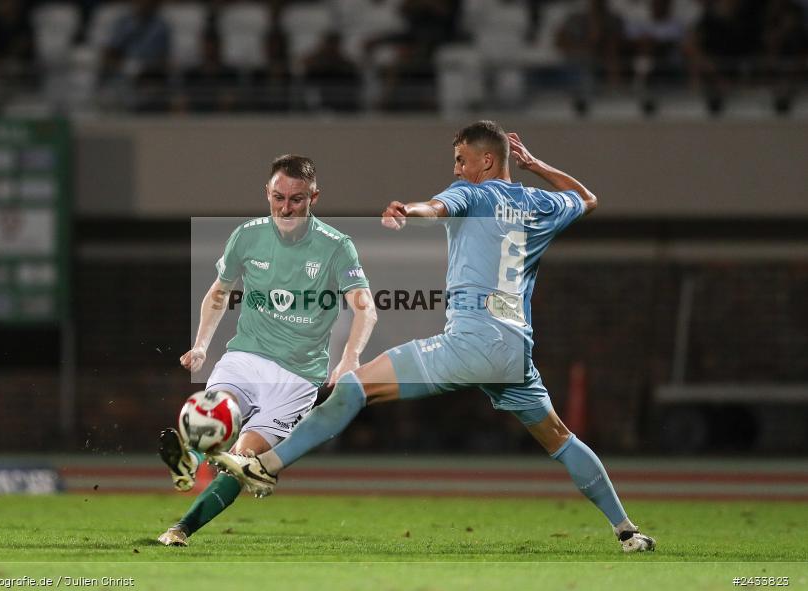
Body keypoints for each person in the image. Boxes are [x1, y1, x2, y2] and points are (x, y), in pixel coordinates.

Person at [214, 121, 656, 554]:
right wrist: (536, 164)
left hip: (468, 342)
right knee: (560, 438)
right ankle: (626, 530)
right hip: (513, 352)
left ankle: (267, 466)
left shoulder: (473, 191)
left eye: (462, 160)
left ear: (486, 160)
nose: (457, 169)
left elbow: (437, 206)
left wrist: (409, 211)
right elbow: (586, 198)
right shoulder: (541, 203)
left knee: (352, 388)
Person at [157, 155, 377, 546]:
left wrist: (349, 359)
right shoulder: (246, 235)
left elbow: (366, 309)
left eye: (297, 200)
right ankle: (189, 459)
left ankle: (181, 528)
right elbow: (218, 292)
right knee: (213, 409)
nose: (286, 208)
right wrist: (201, 345)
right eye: (278, 197)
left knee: (245, 460)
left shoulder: (337, 247)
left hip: (296, 379)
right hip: (246, 356)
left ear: (314, 197)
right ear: (267, 193)